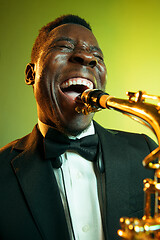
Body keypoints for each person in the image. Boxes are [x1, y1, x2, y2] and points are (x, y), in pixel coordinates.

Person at [0, 15, 157, 240]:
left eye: (96, 56)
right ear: (31, 74)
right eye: (64, 46)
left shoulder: (145, 150)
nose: (86, 58)